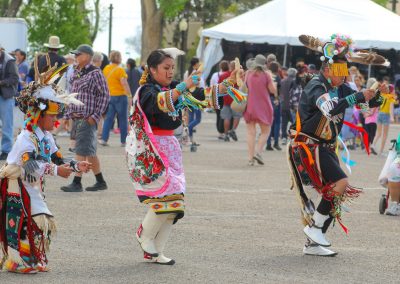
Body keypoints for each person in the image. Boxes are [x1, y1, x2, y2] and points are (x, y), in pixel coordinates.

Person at [127, 48, 240, 265]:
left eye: (172, 68)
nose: (170, 72)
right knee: (166, 198)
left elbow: (203, 97)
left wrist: (229, 85)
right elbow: (160, 102)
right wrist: (183, 86)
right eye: (165, 68)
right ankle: (144, 234)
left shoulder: (173, 88)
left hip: (170, 146)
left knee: (176, 203)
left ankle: (157, 250)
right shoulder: (146, 91)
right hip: (152, 149)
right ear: (152, 69)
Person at [288, 33, 388, 257]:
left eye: (346, 72)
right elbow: (331, 108)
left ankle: (312, 243)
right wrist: (358, 96)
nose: (345, 77)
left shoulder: (341, 87)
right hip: (310, 147)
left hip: (326, 147)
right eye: (341, 72)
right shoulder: (316, 86)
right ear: (328, 69)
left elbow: (364, 102)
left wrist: (380, 95)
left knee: (336, 192)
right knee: (340, 183)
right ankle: (315, 229)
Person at [0, 58, 91, 273]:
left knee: (36, 219)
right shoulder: (26, 138)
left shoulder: (46, 136)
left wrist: (77, 166)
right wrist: (57, 171)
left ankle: (31, 256)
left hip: (31, 185)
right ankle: (17, 260)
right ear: (39, 115)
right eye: (52, 116)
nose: (55, 120)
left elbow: (56, 159)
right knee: (25, 219)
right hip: (16, 183)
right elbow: (32, 165)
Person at [61, 44, 110, 192]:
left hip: (87, 118)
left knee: (81, 150)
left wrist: (95, 116)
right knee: (89, 151)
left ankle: (77, 182)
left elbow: (105, 96)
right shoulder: (76, 72)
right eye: (75, 55)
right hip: (77, 118)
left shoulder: (95, 73)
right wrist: (67, 115)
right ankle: (100, 181)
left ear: (88, 56)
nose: (75, 57)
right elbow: (72, 95)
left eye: (78, 54)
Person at [243, 54, 277, 166]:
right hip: (264, 106)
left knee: (250, 133)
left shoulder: (248, 74)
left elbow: (244, 87)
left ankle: (250, 159)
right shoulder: (266, 75)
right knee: (265, 131)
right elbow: (272, 90)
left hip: (250, 105)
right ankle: (258, 152)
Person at [99, 50, 131, 146]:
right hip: (121, 96)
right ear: (118, 58)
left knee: (108, 119)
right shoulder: (120, 70)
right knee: (122, 119)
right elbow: (124, 83)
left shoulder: (106, 69)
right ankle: (123, 141)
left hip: (110, 96)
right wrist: (129, 95)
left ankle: (104, 139)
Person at [0, 46, 19, 160]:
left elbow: (14, 79)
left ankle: (6, 151)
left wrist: (1, 82)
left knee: (7, 125)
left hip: (6, 97)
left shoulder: (9, 60)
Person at [184, 57, 205, 145]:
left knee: (191, 118)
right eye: (198, 63)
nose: (199, 64)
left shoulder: (187, 72)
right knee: (198, 119)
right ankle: (186, 130)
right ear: (195, 64)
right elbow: (197, 83)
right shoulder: (196, 73)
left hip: (189, 96)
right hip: (196, 97)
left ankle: (191, 139)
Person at [372, 83, 396, 156]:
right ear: (391, 91)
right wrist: (392, 117)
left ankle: (373, 144)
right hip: (386, 115)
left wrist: (371, 112)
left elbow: (376, 106)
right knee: (385, 135)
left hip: (380, 114)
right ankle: (381, 151)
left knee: (378, 133)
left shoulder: (382, 96)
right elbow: (391, 108)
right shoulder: (391, 97)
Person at [210, 60, 229, 139]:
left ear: (220, 67)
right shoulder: (228, 75)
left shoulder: (215, 75)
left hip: (216, 95)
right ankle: (225, 131)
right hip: (225, 95)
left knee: (218, 114)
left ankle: (220, 131)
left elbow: (212, 85)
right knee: (225, 114)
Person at [266, 61, 282, 151]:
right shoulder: (278, 77)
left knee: (268, 122)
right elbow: (278, 89)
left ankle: (268, 143)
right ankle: (276, 142)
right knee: (277, 122)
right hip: (275, 100)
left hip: (267, 100)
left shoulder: (267, 76)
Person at [280, 68, 297, 145]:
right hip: (292, 106)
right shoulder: (295, 82)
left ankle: (284, 137)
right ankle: (294, 138)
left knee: (284, 123)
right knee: (294, 123)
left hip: (283, 105)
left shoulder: (282, 81)